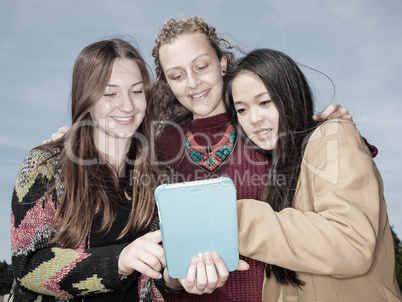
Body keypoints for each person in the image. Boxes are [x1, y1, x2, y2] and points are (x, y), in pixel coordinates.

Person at [148, 15, 375, 301]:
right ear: (167, 83)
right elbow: (158, 250)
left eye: (201, 66)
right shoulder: (161, 147)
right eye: (177, 75)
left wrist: (343, 133)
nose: (193, 83)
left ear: (222, 62)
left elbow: (331, 172)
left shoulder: (266, 125)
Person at [224, 48, 402, 301]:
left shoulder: (331, 136)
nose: (253, 118)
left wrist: (234, 219)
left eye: (264, 102)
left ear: (290, 95)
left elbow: (351, 243)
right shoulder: (276, 169)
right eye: (241, 110)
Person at [10, 38, 172, 301]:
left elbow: (158, 277)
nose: (128, 106)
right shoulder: (45, 165)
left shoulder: (158, 177)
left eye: (136, 91)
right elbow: (28, 266)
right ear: (86, 97)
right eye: (110, 93)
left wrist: (178, 278)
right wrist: (119, 261)